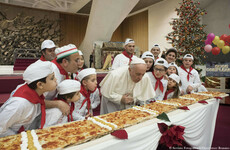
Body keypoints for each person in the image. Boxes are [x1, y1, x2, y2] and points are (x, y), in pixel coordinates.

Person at [0, 61, 57, 137]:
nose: (56, 79)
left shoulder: (38, 92)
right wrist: (21, 139)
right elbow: (1, 127)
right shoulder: (20, 104)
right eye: (52, 78)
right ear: (40, 85)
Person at [45, 44, 80, 116]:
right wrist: (58, 104)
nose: (79, 64)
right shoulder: (50, 72)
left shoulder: (63, 72)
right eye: (77, 60)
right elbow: (35, 100)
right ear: (65, 62)